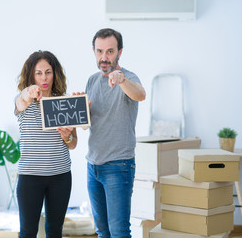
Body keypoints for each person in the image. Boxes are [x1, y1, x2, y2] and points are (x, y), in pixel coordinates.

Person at [84, 28, 146, 238]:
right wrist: (78, 111)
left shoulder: (128, 78)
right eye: (100, 51)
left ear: (120, 52)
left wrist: (121, 81)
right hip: (93, 166)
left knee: (119, 232)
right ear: (93, 51)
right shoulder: (92, 81)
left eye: (110, 51)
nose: (104, 57)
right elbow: (86, 124)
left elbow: (140, 95)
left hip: (118, 166)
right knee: (102, 232)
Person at [15, 50, 78, 238]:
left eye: (48, 72)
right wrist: (29, 92)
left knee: (54, 231)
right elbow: (22, 99)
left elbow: (73, 144)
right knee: (28, 232)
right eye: (39, 73)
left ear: (55, 73)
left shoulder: (64, 102)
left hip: (60, 176)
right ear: (31, 75)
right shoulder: (23, 102)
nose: (44, 77)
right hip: (30, 177)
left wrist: (67, 137)